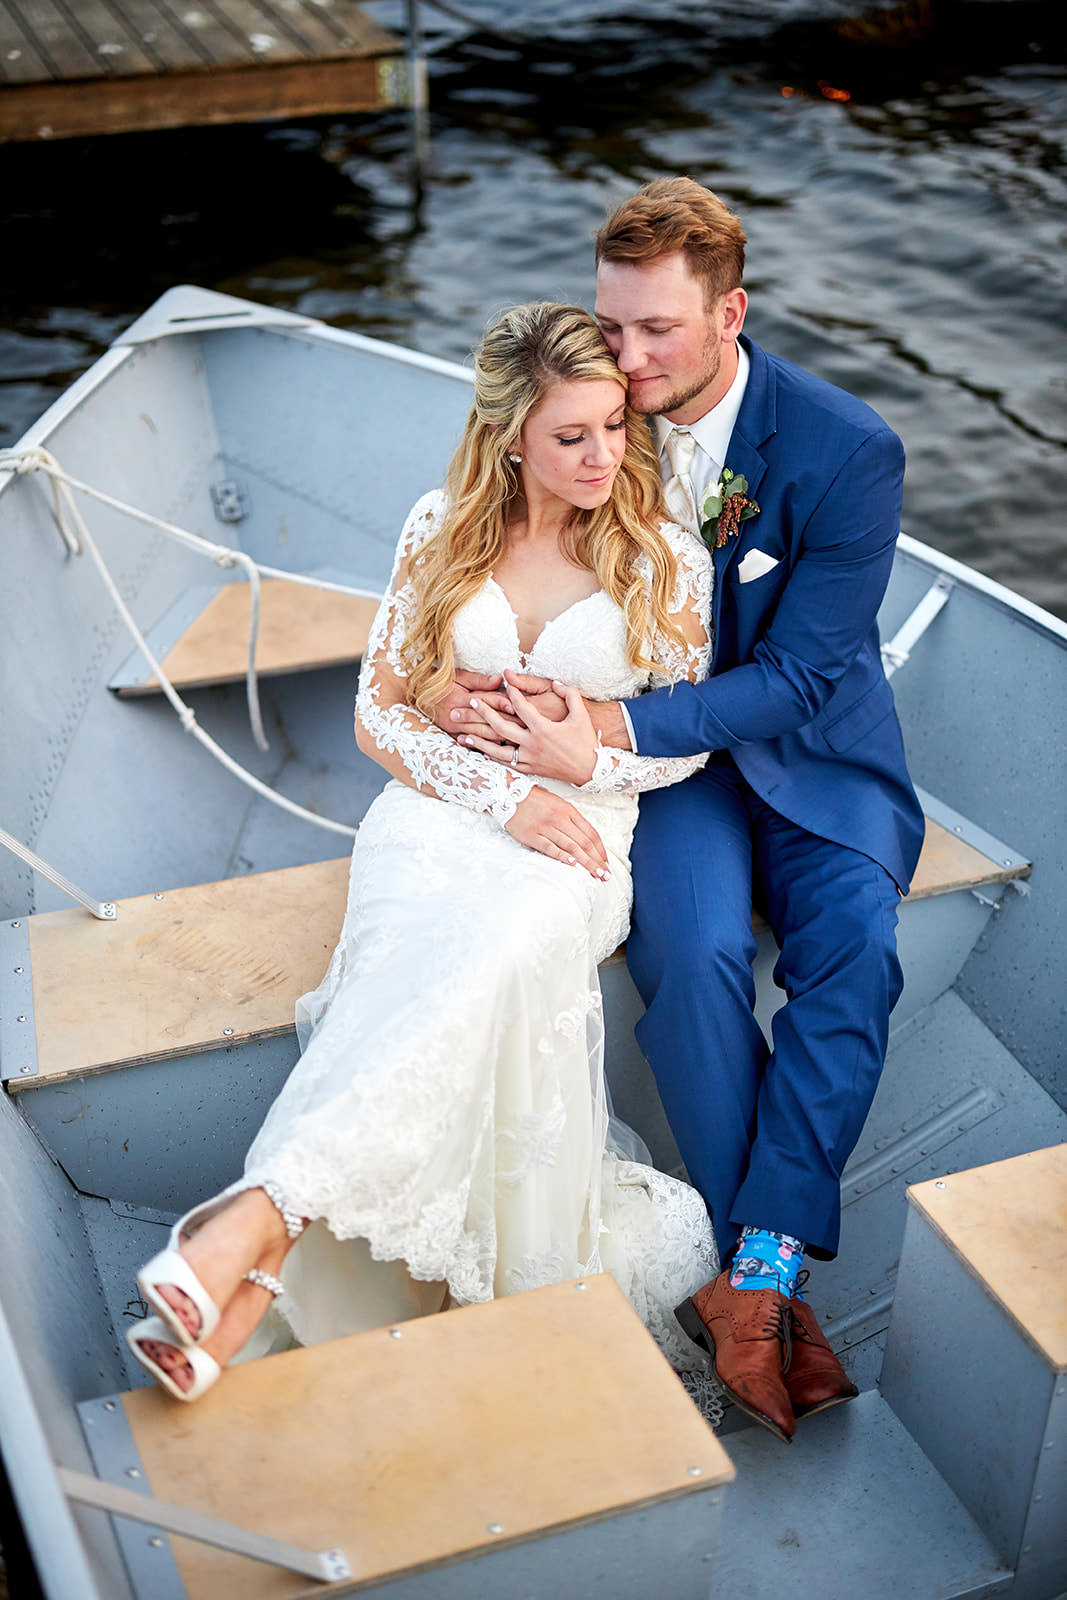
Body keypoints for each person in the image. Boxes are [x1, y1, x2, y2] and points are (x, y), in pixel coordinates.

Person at [125, 301, 724, 1414]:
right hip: (437, 816)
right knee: (411, 967)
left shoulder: (666, 561)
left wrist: (580, 744)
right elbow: (376, 716)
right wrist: (500, 791)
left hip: (581, 830)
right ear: (509, 437)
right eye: (570, 435)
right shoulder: (439, 525)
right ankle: (254, 1254)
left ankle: (251, 1231)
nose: (602, 455)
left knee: (494, 953)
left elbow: (681, 751)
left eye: (612, 427)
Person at [442, 179, 925, 1444]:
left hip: (811, 757)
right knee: (698, 955)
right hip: (675, 784)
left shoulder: (842, 447)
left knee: (854, 956)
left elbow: (808, 674)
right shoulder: (598, 417)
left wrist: (601, 728)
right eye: (613, 324)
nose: (628, 358)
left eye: (657, 329)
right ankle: (757, 1290)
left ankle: (749, 1273)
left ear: (729, 316)